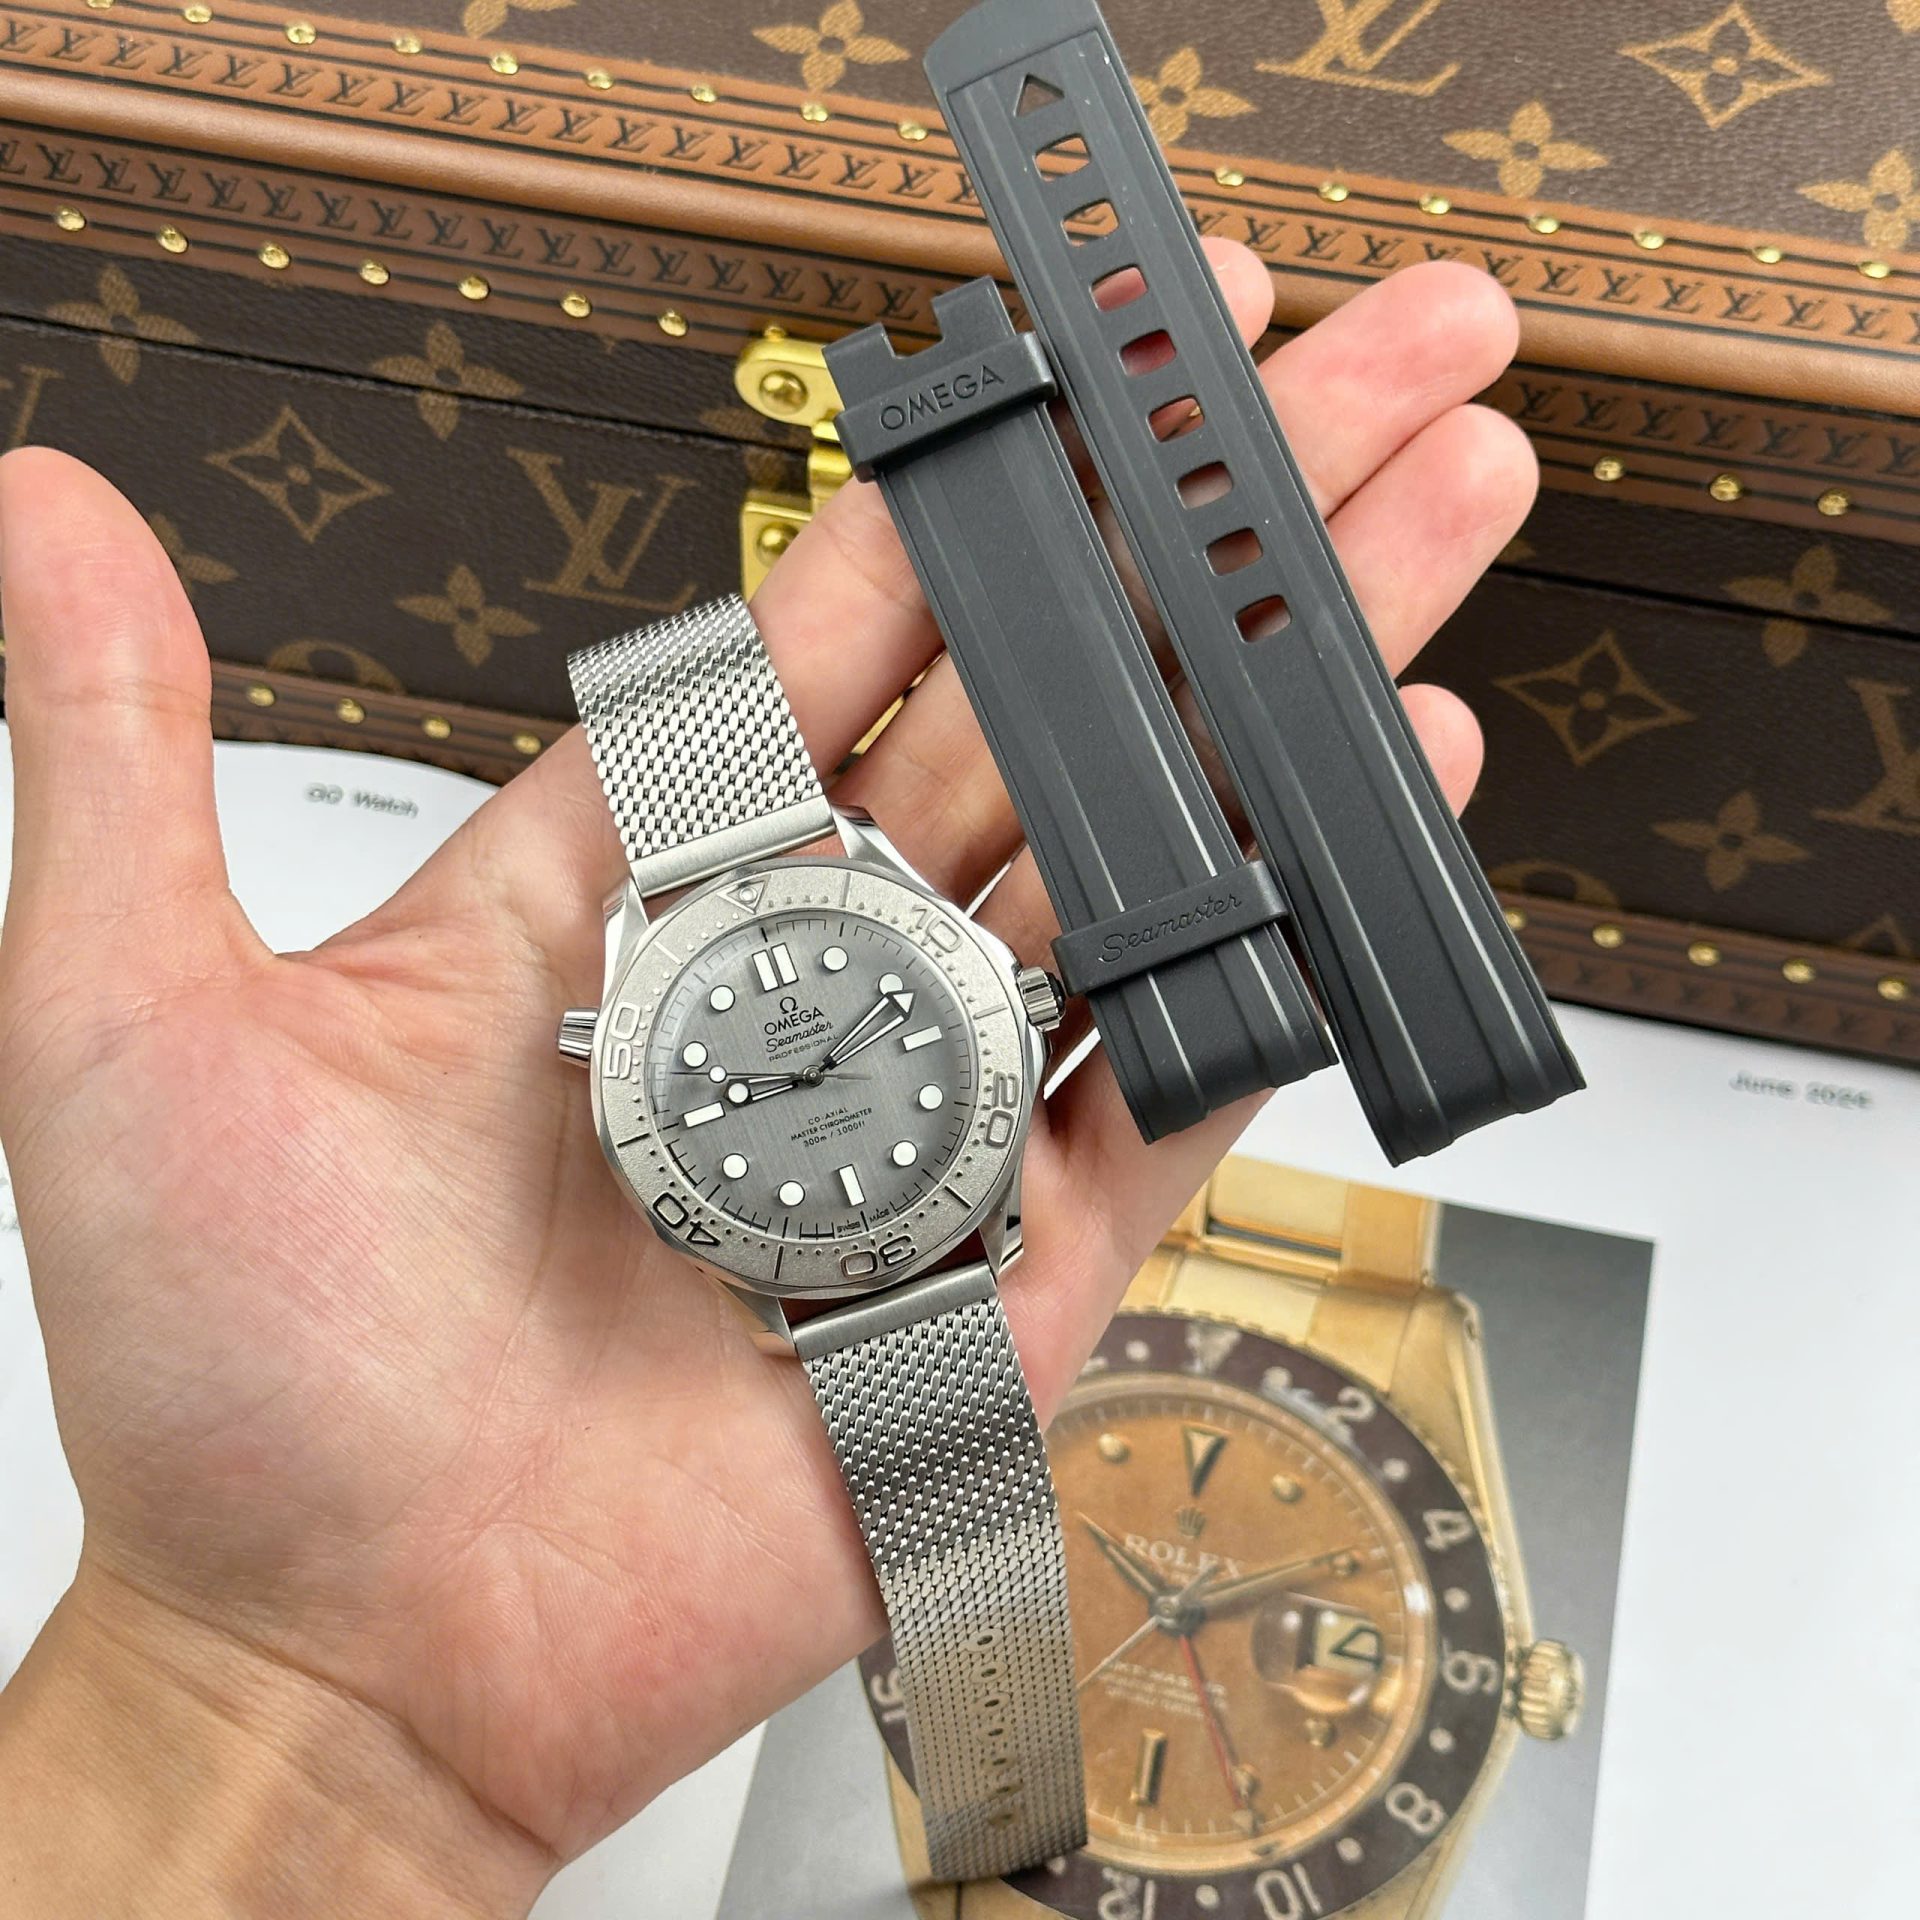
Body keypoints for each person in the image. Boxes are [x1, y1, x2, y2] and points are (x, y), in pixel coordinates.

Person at [0, 246, 1534, 1916]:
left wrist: (229, 1699)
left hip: (894, 1151)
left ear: (995, 996)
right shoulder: (695, 1109)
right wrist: (239, 1677)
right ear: (610, 1061)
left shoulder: (881, 983)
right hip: (847, 1209)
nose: (797, 1068)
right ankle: (1002, 1818)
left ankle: (1003, 1819)